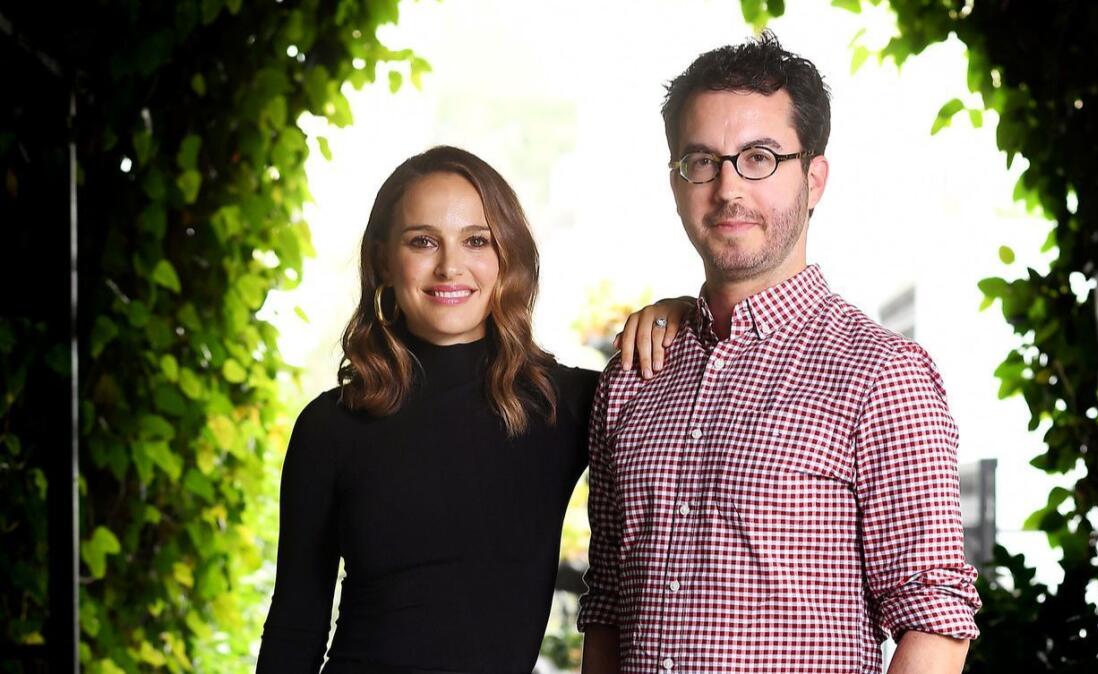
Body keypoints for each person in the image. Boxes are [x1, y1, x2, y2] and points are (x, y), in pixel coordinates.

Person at [578, 33, 982, 674]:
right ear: (676, 181)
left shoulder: (882, 376)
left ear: (814, 178)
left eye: (760, 157)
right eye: (701, 161)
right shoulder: (633, 377)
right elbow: (605, 610)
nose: (728, 187)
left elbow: (935, 622)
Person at [256, 145, 688, 674]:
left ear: (507, 258)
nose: (450, 265)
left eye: (476, 240)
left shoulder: (569, 404)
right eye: (422, 241)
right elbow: (295, 624)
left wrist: (678, 310)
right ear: (383, 260)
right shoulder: (329, 427)